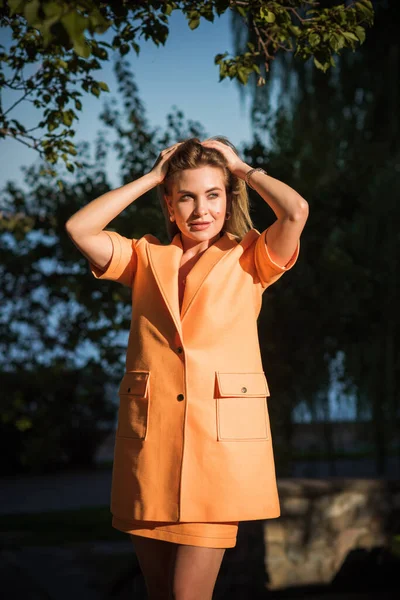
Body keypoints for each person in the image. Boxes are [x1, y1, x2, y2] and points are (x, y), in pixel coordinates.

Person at [65, 136, 308, 599]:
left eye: (213, 195)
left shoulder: (252, 256)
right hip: (149, 454)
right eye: (187, 197)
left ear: (228, 198)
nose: (201, 209)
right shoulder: (144, 257)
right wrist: (153, 176)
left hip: (217, 456)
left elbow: (295, 211)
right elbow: (80, 228)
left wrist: (239, 168)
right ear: (170, 205)